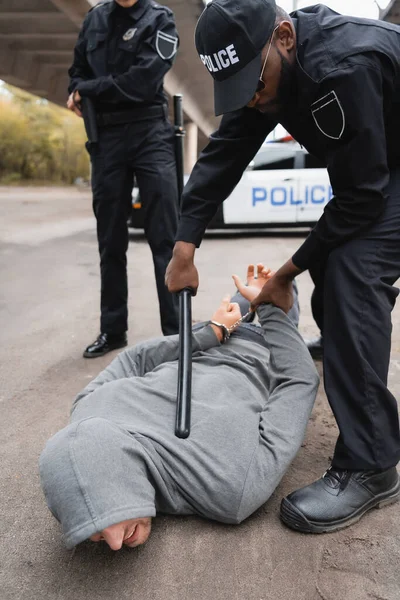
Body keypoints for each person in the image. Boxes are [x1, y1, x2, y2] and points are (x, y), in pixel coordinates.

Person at [165, 0, 400, 533]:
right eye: (240, 88)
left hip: (388, 171)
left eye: (255, 83)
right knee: (336, 265)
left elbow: (362, 199)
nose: (252, 98)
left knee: (351, 272)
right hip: (382, 160)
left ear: (286, 38)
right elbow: (223, 153)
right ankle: (345, 340)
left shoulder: (345, 67)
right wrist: (184, 245)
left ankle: (372, 464)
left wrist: (284, 274)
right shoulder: (267, 67)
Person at [39, 264, 318, 551]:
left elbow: (133, 359)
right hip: (267, 350)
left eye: (105, 518)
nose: (114, 544)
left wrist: (213, 331)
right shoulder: (233, 489)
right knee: (274, 293)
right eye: (93, 533)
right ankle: (271, 291)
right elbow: (297, 380)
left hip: (222, 335)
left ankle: (269, 286)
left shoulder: (88, 409)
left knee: (267, 284)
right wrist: (271, 309)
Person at [67, 0, 180, 358]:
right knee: (110, 241)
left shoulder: (160, 19)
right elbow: (76, 71)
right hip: (107, 139)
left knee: (165, 238)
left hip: (150, 132)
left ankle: (177, 335)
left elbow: (143, 82)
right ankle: (112, 330)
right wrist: (75, 90)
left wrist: (90, 90)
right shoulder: (94, 19)